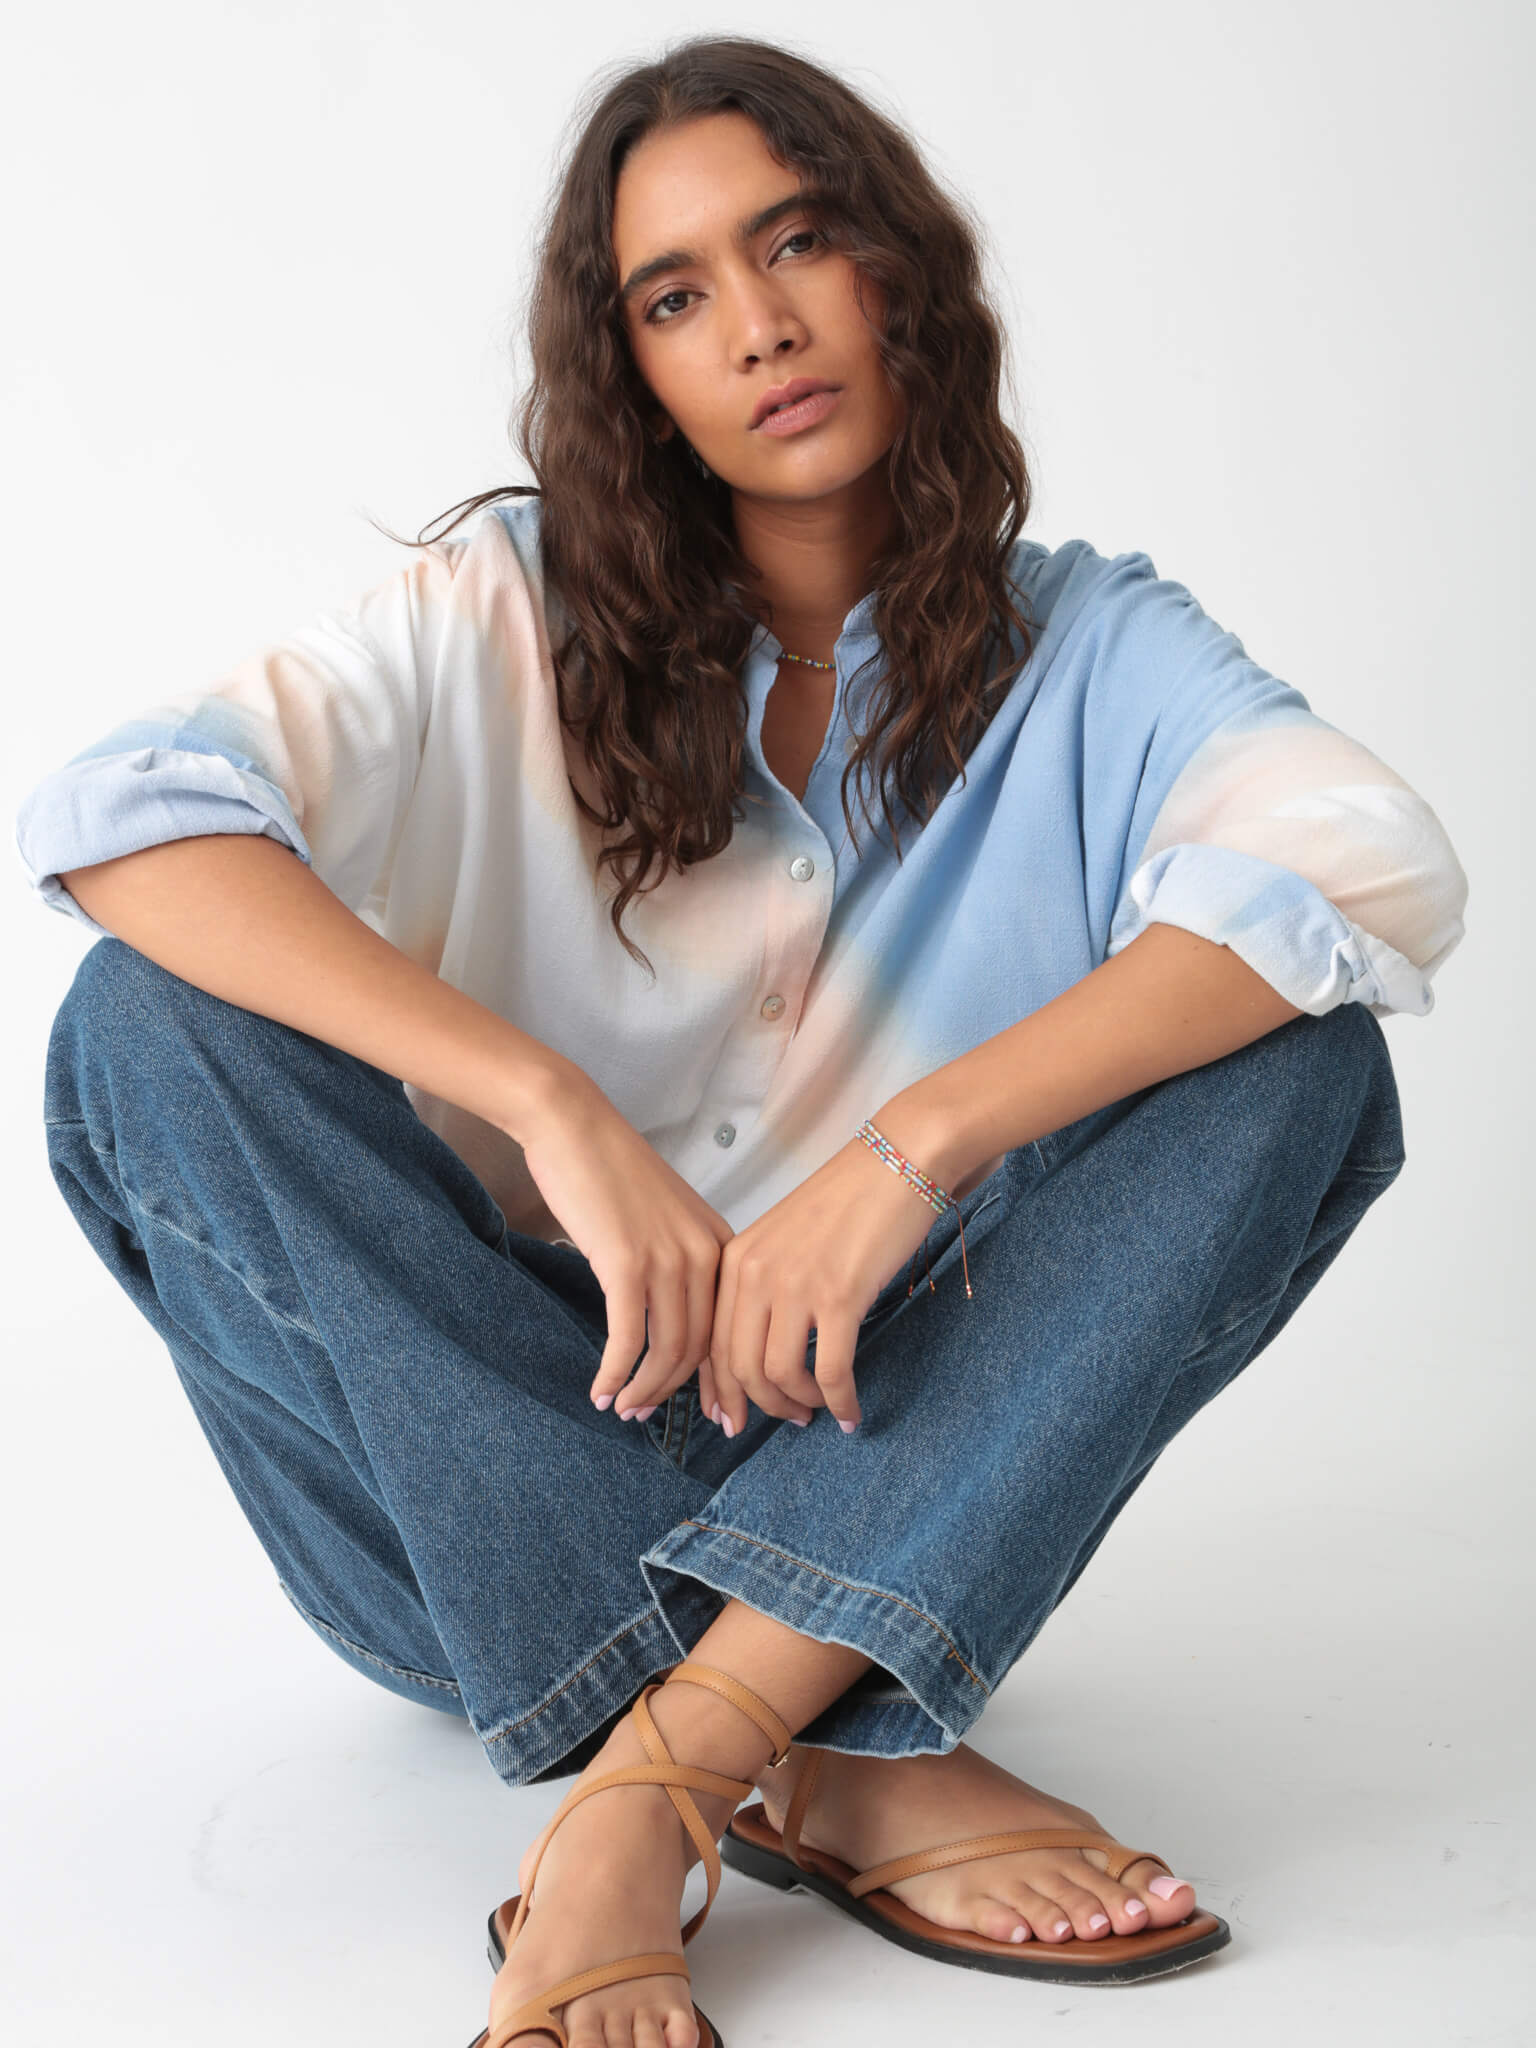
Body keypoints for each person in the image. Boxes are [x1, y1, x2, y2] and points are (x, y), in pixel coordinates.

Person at [17, 34, 1468, 2048]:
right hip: (461, 1477)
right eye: (675, 296)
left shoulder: (1096, 653)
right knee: (141, 1030)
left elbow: (1375, 861)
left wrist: (918, 1143)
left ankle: (656, 1788)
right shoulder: (495, 615)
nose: (761, 328)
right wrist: (546, 1104)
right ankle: (829, 1741)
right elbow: (124, 814)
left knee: (1299, 1060)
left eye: (796, 244)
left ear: (900, 273)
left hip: (883, 1440)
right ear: (632, 374)